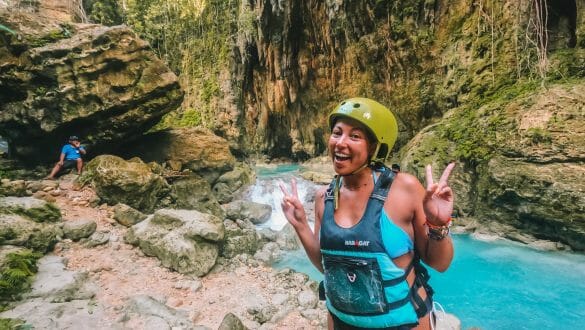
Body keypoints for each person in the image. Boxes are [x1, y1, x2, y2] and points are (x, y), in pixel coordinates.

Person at [280, 98, 455, 330]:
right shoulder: (325, 197)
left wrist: (437, 224)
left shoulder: (404, 189)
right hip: (342, 322)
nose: (340, 143)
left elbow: (440, 263)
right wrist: (300, 224)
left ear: (374, 147)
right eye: (337, 133)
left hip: (402, 323)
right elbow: (328, 268)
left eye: (355, 136)